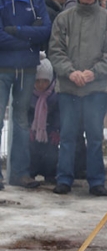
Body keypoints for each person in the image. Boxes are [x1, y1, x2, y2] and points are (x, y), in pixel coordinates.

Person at [49, 0, 107, 196]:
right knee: (68, 135)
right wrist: (71, 73)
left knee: (95, 136)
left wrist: (93, 73)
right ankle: (64, 179)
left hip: (96, 88)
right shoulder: (64, 18)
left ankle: (96, 181)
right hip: (69, 88)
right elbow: (55, 49)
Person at [0, 0, 52, 190]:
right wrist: (28, 37)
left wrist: (17, 31)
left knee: (21, 121)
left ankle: (20, 173)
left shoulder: (37, 0)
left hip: (27, 68)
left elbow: (45, 31)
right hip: (3, 67)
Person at [28, 55, 60, 183]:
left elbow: (59, 113)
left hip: (50, 130)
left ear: (51, 80)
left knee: (51, 153)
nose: (41, 85)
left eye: (45, 81)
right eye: (38, 81)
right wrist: (29, 127)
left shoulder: (55, 96)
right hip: (34, 130)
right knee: (32, 151)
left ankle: (50, 174)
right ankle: (32, 172)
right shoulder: (30, 96)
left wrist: (56, 129)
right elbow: (28, 113)